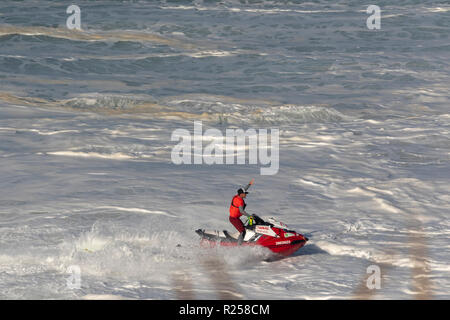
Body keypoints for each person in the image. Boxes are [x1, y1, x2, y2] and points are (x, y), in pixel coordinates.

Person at [229, 178, 254, 245]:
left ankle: (246, 240)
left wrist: (249, 184)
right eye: (245, 194)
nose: (246, 194)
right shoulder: (239, 201)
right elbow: (242, 211)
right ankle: (239, 246)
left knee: (246, 227)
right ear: (241, 194)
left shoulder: (238, 196)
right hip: (233, 219)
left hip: (236, 218)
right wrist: (249, 216)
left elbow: (244, 189)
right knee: (242, 231)